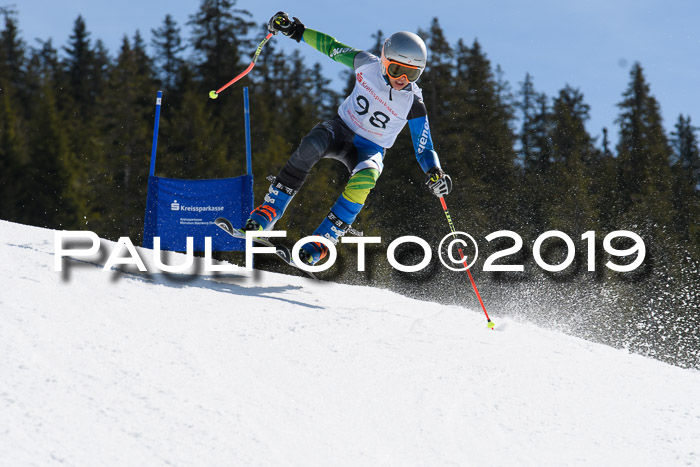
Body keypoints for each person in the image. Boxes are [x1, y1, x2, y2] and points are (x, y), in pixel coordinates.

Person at [243, 11, 452, 265]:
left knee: (366, 178)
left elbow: (424, 147)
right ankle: (269, 212)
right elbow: (331, 47)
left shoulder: (413, 103)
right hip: (340, 129)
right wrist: (296, 31)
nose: (402, 80)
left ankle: (322, 240)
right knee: (312, 144)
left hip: (371, 149)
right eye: (397, 69)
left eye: (412, 74)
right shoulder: (367, 64)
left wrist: (435, 172)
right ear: (385, 61)